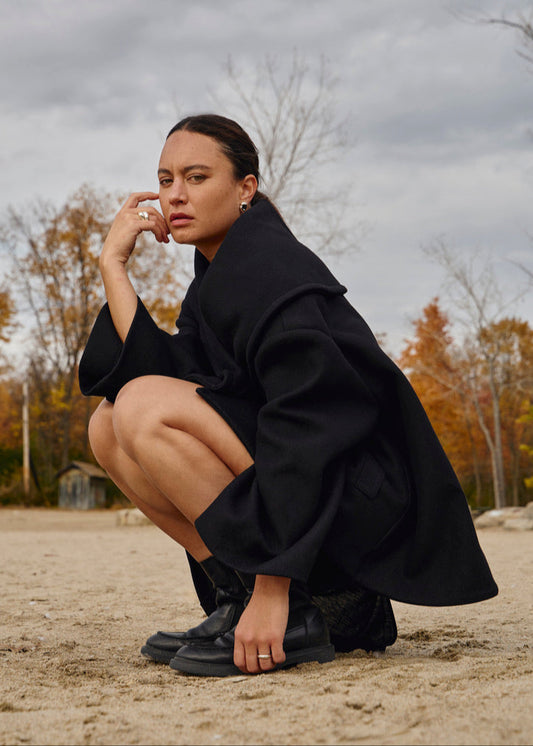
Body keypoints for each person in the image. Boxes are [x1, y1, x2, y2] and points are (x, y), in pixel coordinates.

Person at [79, 114, 498, 678]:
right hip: (298, 500)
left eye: (196, 177)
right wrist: (113, 265)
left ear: (245, 188)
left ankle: (291, 609)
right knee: (109, 424)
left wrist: (275, 586)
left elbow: (309, 428)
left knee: (139, 407)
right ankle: (235, 596)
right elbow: (159, 378)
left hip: (349, 502)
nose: (174, 195)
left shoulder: (275, 271)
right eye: (165, 179)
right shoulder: (215, 279)